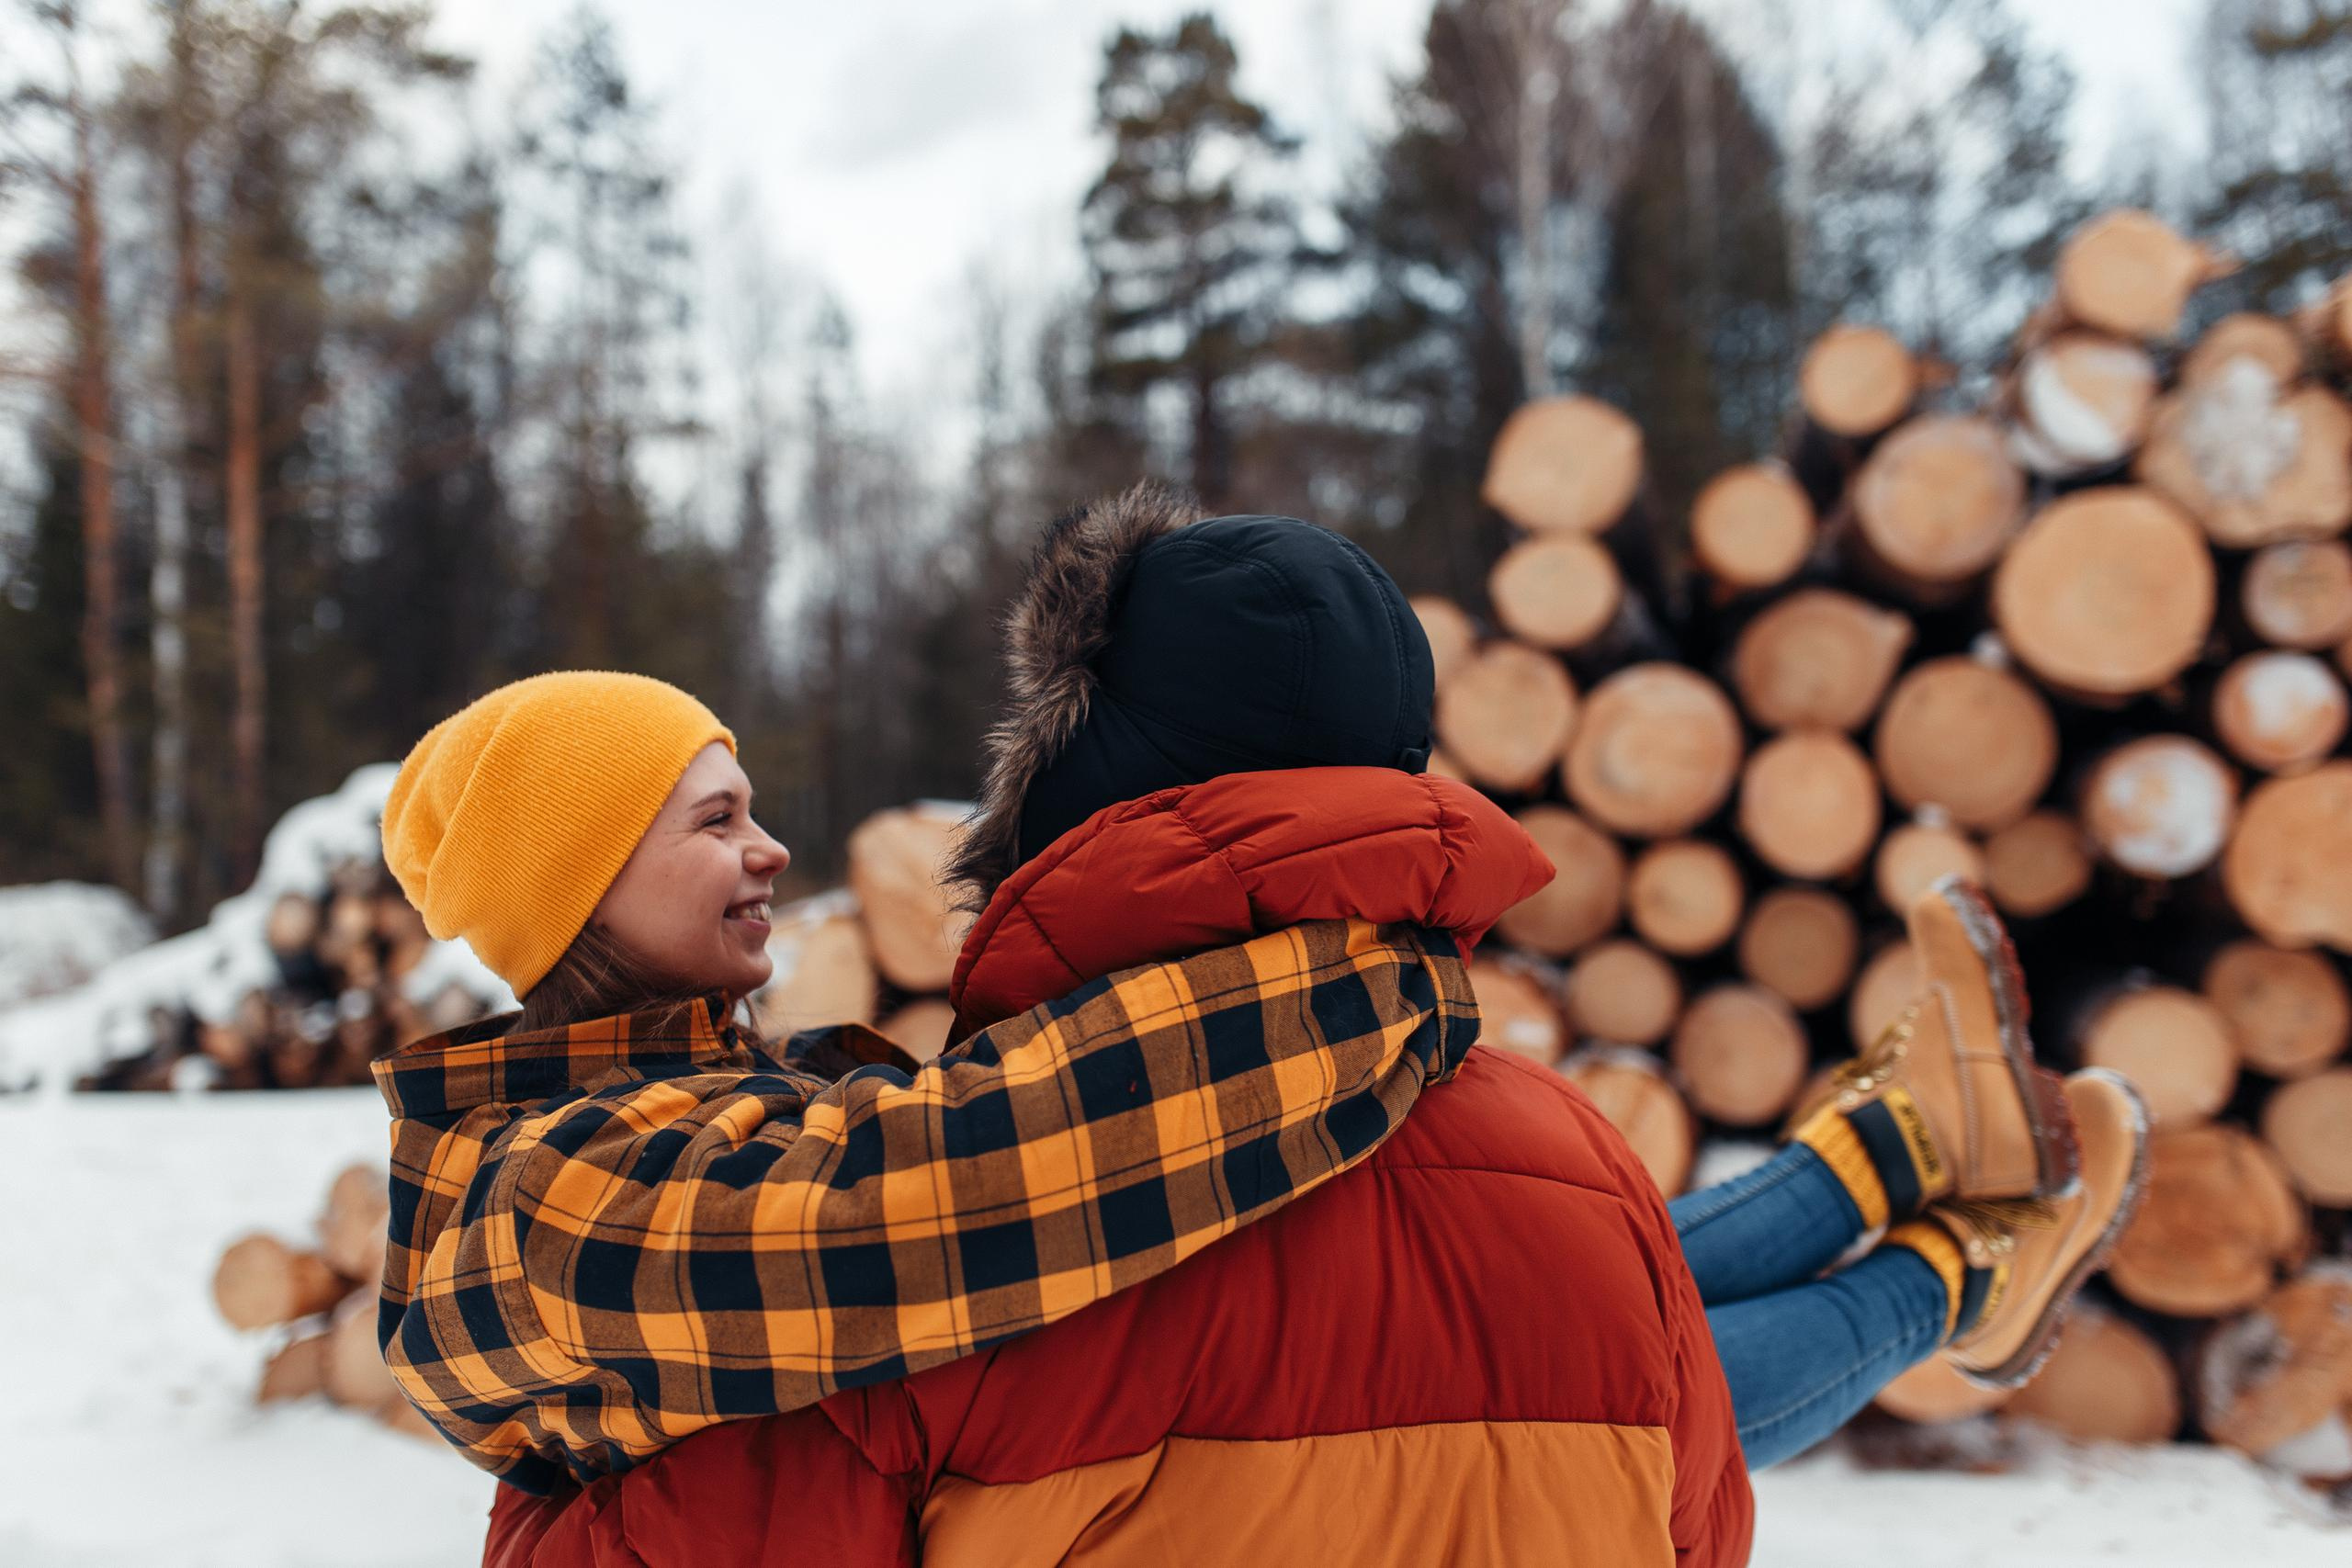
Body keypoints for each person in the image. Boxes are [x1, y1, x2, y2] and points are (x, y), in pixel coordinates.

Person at [473, 485, 2150, 1567]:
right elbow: (1695, 1527)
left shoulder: (938, 1218)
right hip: (1533, 1201)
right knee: (1589, 1315)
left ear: (1074, 775)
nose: (763, 850)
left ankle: (1942, 1240)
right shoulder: (1564, 1138)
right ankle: (1928, 1206)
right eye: (711, 821)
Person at [371, 622, 1550, 1491]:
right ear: (586, 882)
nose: (772, 849)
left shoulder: (719, 1094)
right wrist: (1368, 972)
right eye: (716, 820)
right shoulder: (557, 1205)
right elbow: (968, 1183)